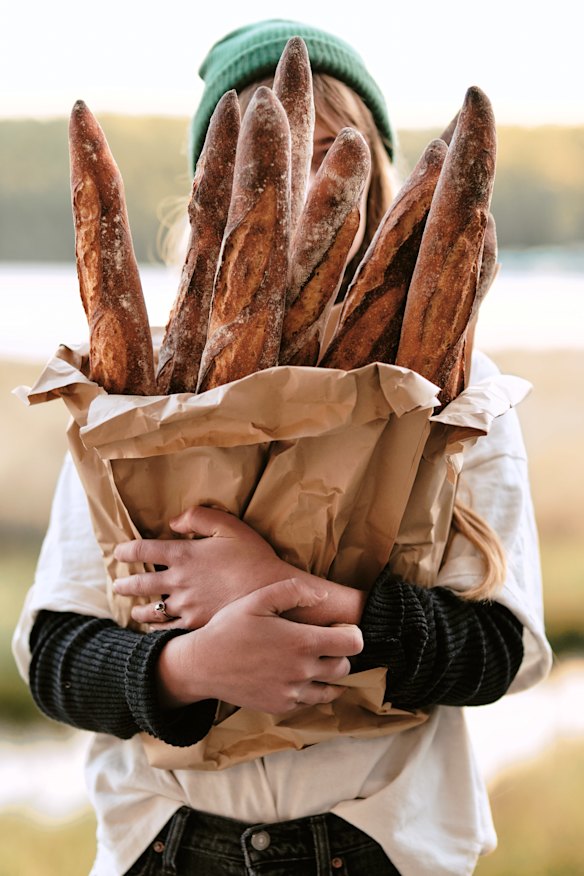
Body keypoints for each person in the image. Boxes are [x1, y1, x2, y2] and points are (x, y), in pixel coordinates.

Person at [13, 19, 552, 876]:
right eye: (276, 164)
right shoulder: (140, 396)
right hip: (167, 846)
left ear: (378, 180)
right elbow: (54, 659)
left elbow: (503, 653)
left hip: (380, 848)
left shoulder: (451, 392)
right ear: (214, 200)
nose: (306, 192)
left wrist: (295, 597)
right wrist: (191, 666)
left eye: (333, 155)